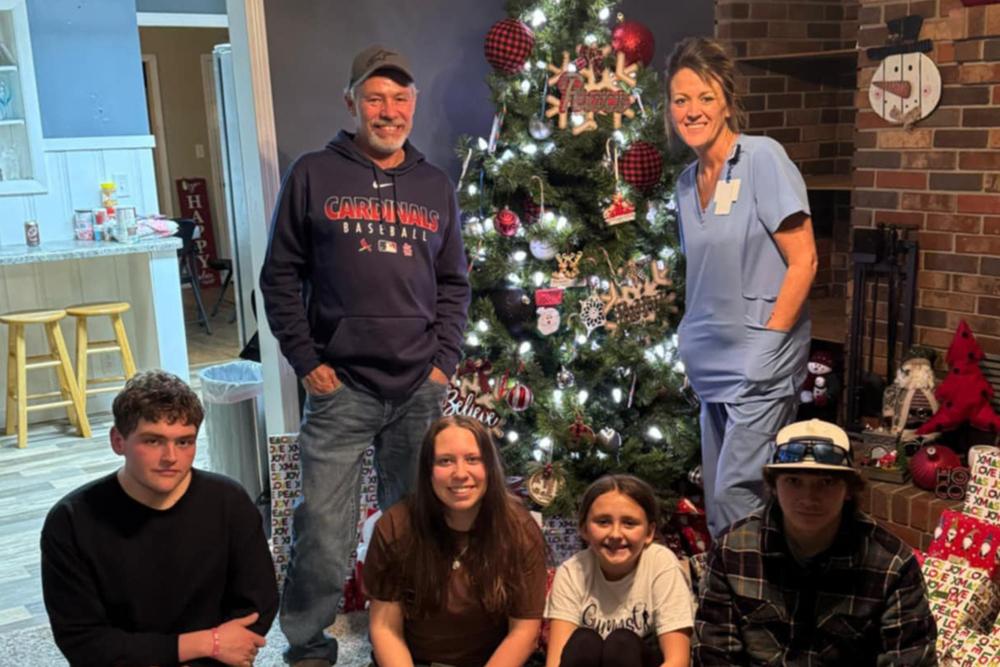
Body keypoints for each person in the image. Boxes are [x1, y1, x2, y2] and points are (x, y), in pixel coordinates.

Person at [259, 44, 471, 665]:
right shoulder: (312, 174)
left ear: (414, 105)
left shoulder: (435, 185)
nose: (388, 111)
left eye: (400, 98)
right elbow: (279, 276)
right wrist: (306, 361)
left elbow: (455, 282)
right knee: (324, 531)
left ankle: (402, 638)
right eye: (375, 98)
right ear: (351, 102)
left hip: (418, 388)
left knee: (415, 528)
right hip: (341, 388)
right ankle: (307, 646)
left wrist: (443, 362)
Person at [666, 36, 818, 537]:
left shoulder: (761, 159)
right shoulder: (685, 185)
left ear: (728, 102)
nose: (692, 111)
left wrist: (769, 346)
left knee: (737, 495)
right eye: (681, 100)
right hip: (709, 366)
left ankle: (746, 587)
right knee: (718, 500)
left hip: (760, 367)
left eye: (705, 97)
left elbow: (804, 260)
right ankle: (733, 583)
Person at [40, 370, 278, 667]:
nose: (170, 457)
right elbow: (84, 642)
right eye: (153, 441)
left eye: (184, 442)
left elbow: (257, 607)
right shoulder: (70, 521)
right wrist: (207, 643)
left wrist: (213, 651)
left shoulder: (229, 501)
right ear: (118, 441)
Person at [694, 419, 937, 665]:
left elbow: (912, 659)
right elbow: (714, 654)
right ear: (774, 485)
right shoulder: (731, 550)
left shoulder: (892, 564)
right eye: (794, 481)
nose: (809, 498)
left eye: (826, 482)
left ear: (849, 489)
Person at [363, 416, 547, 667]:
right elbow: (385, 628)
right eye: (445, 461)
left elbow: (524, 633)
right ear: (428, 470)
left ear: (489, 467)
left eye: (472, 459)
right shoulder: (395, 526)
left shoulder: (521, 529)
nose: (460, 473)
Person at [545, 475, 693, 667]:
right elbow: (556, 662)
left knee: (621, 644)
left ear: (649, 533)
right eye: (603, 522)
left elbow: (677, 660)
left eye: (629, 523)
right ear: (584, 529)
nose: (615, 534)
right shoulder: (572, 571)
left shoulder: (661, 564)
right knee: (584, 641)